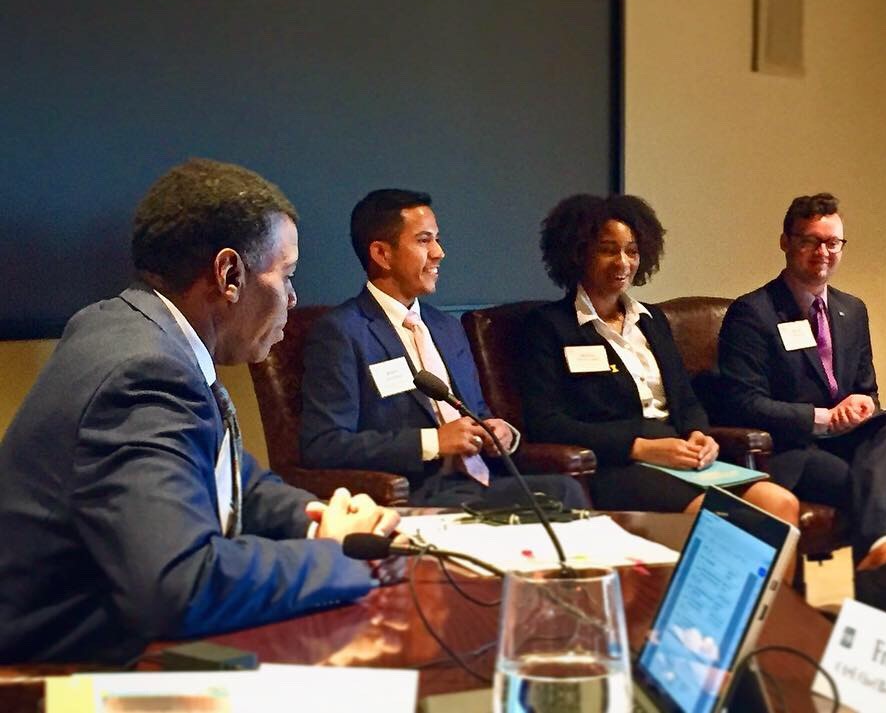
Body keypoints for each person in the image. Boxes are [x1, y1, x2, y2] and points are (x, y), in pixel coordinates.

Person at [0, 159, 400, 664]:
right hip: (57, 672)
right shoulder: (144, 370)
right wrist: (337, 556)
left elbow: (232, 479)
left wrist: (316, 520)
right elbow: (181, 585)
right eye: (287, 274)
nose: (294, 299)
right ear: (230, 274)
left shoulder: (130, 326)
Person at [299, 189, 587, 509]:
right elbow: (323, 444)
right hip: (421, 492)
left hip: (485, 479)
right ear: (382, 253)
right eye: (424, 241)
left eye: (437, 239)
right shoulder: (341, 333)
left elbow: (476, 413)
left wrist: (500, 432)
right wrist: (433, 442)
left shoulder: (446, 327)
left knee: (565, 493)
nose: (439, 252)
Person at [520, 193, 798, 523]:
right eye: (609, 250)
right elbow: (547, 423)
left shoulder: (652, 320)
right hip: (616, 465)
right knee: (722, 518)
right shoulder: (549, 326)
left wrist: (700, 434)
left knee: (782, 504)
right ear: (578, 253)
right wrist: (640, 447)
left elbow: (687, 400)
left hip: (678, 456)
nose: (623, 262)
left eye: (632, 251)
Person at [713, 192, 886, 603]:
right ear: (786, 242)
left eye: (833, 242)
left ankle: (881, 557)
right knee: (876, 486)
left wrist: (863, 406)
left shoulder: (852, 310)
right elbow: (741, 402)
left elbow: (867, 389)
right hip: (793, 448)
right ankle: (880, 599)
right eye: (810, 240)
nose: (822, 252)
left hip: (846, 440)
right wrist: (823, 417)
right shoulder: (753, 313)